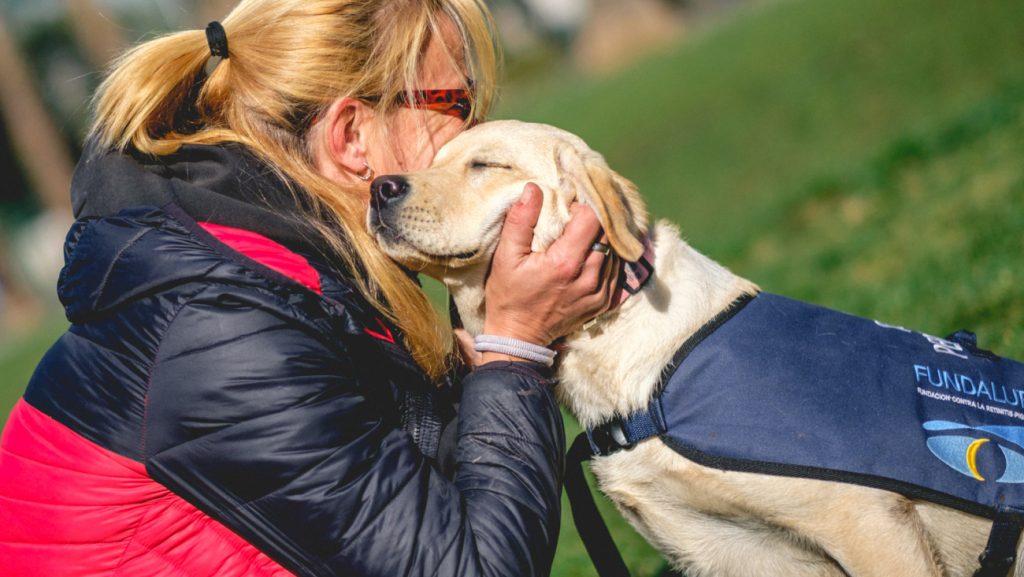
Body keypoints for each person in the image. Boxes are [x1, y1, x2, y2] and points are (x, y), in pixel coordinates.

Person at [0, 1, 618, 576]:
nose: (481, 129)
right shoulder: (223, 323)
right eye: (457, 104)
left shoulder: (281, 267)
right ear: (351, 138)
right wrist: (514, 346)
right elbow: (470, 567)